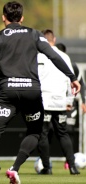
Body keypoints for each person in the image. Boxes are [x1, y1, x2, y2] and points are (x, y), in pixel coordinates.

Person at [0, 1, 80, 184]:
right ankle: (15, 168)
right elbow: (54, 55)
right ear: (22, 18)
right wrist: (72, 77)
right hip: (32, 93)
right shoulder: (35, 34)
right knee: (35, 132)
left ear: (3, 17)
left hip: (7, 93)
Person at [37, 29, 80, 175]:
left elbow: (36, 79)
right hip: (60, 101)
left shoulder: (39, 56)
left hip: (44, 101)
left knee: (42, 133)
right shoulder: (65, 57)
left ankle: (47, 167)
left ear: (42, 40)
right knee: (63, 133)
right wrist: (69, 100)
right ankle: (73, 167)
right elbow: (70, 80)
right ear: (53, 39)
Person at [55, 42, 86, 170]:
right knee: (49, 131)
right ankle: (44, 160)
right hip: (54, 102)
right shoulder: (50, 64)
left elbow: (81, 84)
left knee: (69, 131)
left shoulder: (72, 66)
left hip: (69, 104)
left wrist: (83, 101)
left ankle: (69, 161)